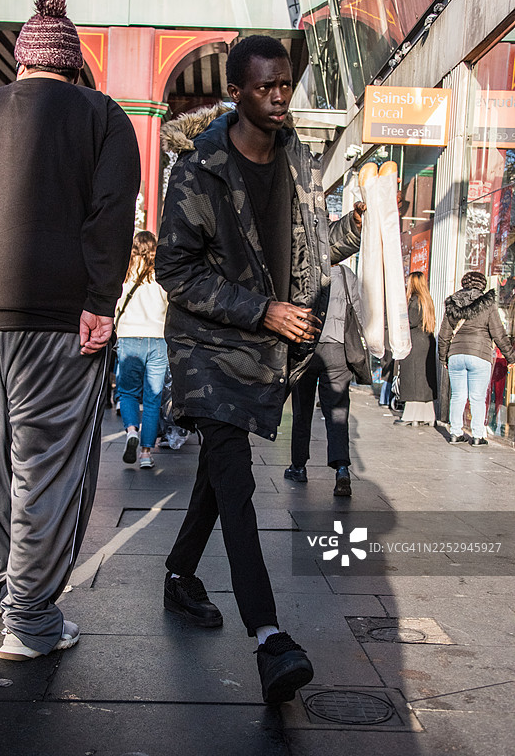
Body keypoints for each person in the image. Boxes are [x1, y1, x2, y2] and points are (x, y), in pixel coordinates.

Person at [155, 35, 363, 704]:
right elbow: (174, 270)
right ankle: (270, 638)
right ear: (239, 92)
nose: (280, 95)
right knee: (236, 480)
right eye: (266, 86)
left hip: (270, 351)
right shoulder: (200, 170)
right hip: (207, 347)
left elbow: (317, 246)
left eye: (286, 85)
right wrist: (262, 310)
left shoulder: (299, 161)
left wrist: (358, 226)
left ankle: (180, 574)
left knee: (217, 483)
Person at [0, 0, 141, 659]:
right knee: (44, 469)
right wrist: (101, 302)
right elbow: (111, 212)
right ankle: (32, 622)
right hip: (60, 321)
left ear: (20, 64)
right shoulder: (105, 117)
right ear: (73, 67)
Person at [284, 263, 364, 496]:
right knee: (338, 412)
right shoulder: (347, 274)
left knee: (302, 409)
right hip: (338, 348)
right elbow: (357, 310)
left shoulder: (305, 267)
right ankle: (341, 469)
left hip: (306, 346)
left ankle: (298, 466)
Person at [438, 270, 515, 445]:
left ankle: (455, 433)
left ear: (464, 283)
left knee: (457, 395)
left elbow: (444, 335)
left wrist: (443, 358)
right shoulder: (487, 303)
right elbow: (498, 334)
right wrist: (511, 357)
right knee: (477, 397)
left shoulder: (453, 302)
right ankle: (478, 436)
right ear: (482, 285)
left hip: (456, 355)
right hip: (479, 355)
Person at [116, 231, 169, 469]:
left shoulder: (124, 274)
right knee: (152, 398)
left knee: (127, 393)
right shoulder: (162, 275)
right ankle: (146, 453)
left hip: (128, 337)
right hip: (158, 339)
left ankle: (130, 431)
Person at [394, 271, 437, 426]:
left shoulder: (414, 300)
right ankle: (428, 415)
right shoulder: (427, 300)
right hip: (426, 341)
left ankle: (410, 416)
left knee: (412, 378)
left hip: (414, 342)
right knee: (424, 379)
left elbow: (410, 321)